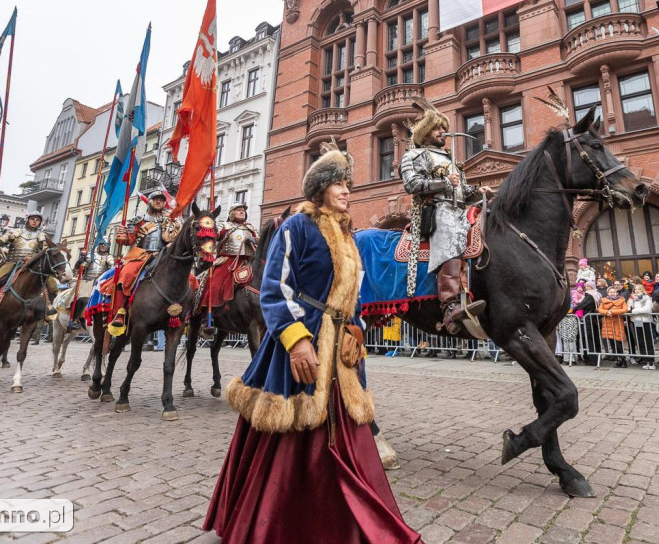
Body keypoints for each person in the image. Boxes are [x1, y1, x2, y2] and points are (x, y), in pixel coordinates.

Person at [202, 142, 421, 544]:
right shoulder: (296, 227)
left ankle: (341, 518)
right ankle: (276, 520)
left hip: (340, 349)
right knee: (289, 435)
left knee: (347, 436)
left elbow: (350, 290)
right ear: (320, 188)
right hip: (298, 343)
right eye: (338, 183)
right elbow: (273, 288)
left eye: (348, 185)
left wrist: (356, 327)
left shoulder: (347, 233)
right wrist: (297, 340)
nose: (346, 191)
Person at [400, 98, 492, 336]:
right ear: (424, 132)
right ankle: (450, 306)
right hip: (436, 211)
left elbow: (463, 190)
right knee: (450, 229)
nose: (443, 132)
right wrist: (442, 182)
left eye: (443, 128)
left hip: (460, 208)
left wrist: (479, 191)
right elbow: (411, 184)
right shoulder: (414, 156)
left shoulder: (451, 160)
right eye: (437, 128)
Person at [107, 189, 182, 335]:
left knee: (189, 279)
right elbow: (130, 240)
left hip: (164, 255)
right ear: (150, 202)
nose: (159, 202)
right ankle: (120, 313)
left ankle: (186, 313)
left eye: (161, 200)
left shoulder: (170, 220)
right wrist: (122, 236)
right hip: (142, 255)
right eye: (156, 199)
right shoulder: (139, 220)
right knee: (125, 276)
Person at [0, 210, 51, 323]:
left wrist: (33, 258)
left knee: (52, 284)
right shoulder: (15, 232)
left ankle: (48, 311)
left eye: (37, 220)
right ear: (27, 219)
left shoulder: (42, 236)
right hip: (12, 263)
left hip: (32, 266)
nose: (35, 221)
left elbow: (46, 252)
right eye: (33, 219)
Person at [205, 203, 259, 312]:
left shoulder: (250, 227)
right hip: (228, 260)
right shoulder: (225, 225)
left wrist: (256, 240)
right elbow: (214, 236)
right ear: (231, 213)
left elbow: (259, 240)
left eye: (243, 210)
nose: (242, 211)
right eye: (238, 209)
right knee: (215, 284)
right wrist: (211, 225)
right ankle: (211, 313)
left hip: (248, 261)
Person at [598, 286, 629, 367]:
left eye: (614, 292)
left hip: (617, 323)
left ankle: (623, 360)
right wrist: (606, 312)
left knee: (618, 343)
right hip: (608, 324)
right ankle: (617, 360)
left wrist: (612, 312)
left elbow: (625, 309)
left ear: (616, 293)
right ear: (608, 293)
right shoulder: (604, 301)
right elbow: (600, 309)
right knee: (612, 343)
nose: (612, 293)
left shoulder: (621, 301)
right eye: (611, 292)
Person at [628, 283, 655, 369]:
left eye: (639, 289)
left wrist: (635, 311)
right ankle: (645, 359)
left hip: (646, 320)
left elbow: (647, 309)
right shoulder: (632, 299)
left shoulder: (647, 298)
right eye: (635, 289)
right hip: (637, 321)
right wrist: (632, 310)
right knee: (640, 341)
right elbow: (628, 309)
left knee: (648, 341)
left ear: (642, 290)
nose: (637, 291)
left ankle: (651, 361)